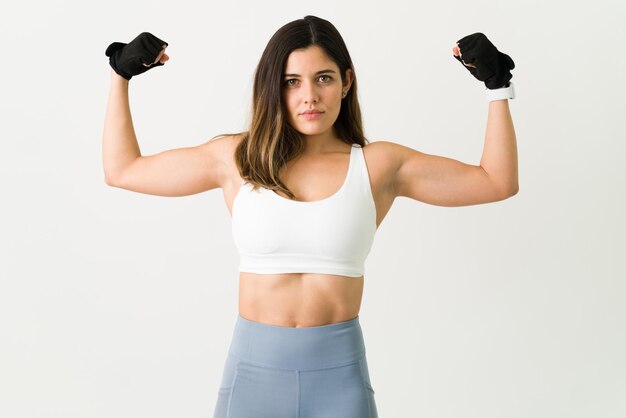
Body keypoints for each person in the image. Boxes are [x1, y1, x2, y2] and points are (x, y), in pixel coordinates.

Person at [102, 15, 518, 418]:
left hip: (339, 381)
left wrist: (497, 88)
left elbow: (495, 182)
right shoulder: (236, 158)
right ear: (273, 89)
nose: (309, 96)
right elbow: (123, 170)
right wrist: (120, 77)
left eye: (324, 78)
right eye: (291, 82)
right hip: (252, 379)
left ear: (345, 82)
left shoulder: (378, 165)